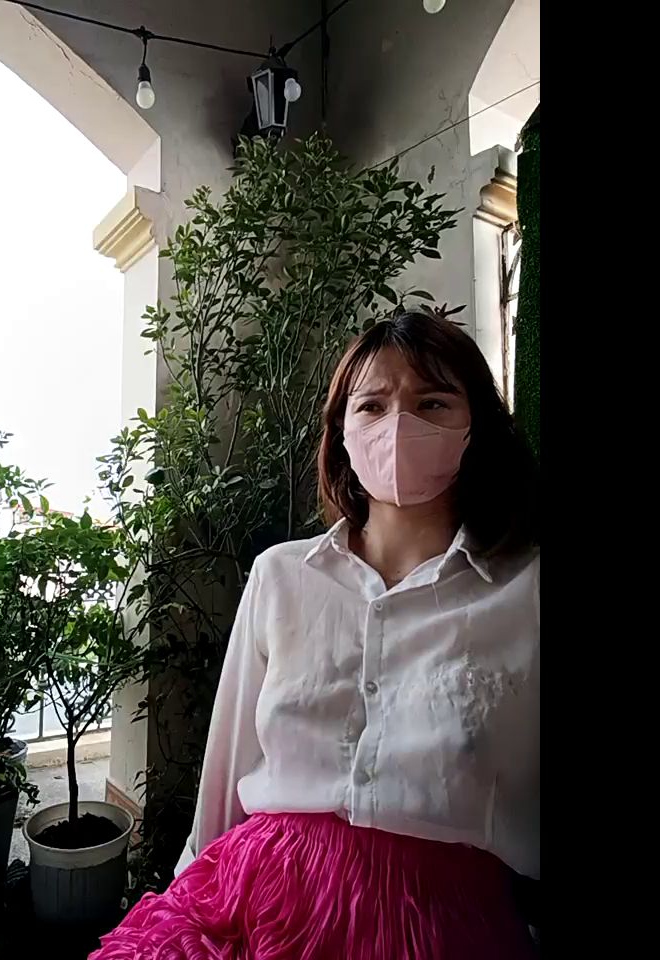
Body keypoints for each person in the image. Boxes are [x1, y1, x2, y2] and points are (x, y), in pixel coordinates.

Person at [92, 311, 539, 960]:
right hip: (250, 896)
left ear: (477, 425)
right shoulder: (281, 576)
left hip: (437, 926)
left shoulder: (525, 589)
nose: (398, 425)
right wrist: (184, 895)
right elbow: (229, 765)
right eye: (372, 405)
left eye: (432, 402)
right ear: (342, 432)